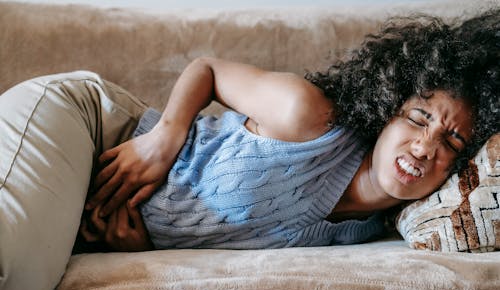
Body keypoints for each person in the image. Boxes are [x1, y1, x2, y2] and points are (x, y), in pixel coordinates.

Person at [79, 9, 499, 252]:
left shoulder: (370, 229)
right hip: (94, 133)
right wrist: (163, 140)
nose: (426, 147)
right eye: (418, 118)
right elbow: (205, 69)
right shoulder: (312, 118)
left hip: (92, 219)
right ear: (387, 109)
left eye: (452, 140)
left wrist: (144, 248)